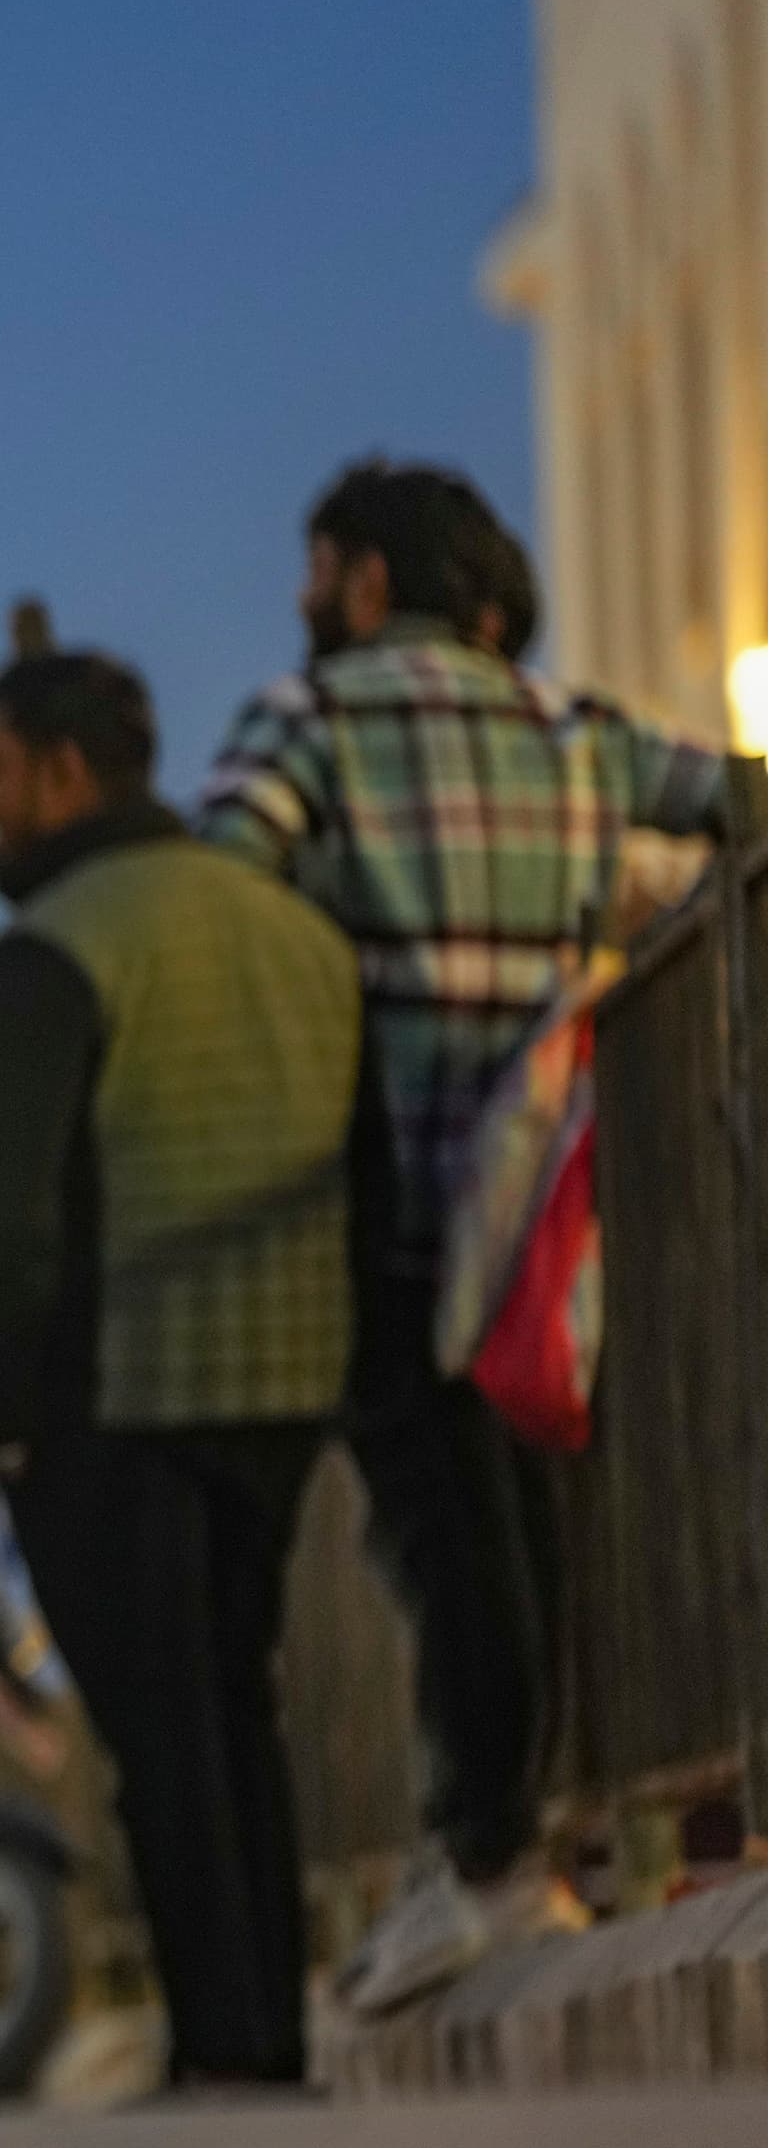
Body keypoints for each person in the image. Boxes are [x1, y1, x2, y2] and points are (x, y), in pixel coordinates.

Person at [200, 462, 732, 2011]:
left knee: (438, 1528)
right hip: (543, 1182)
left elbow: (226, 901)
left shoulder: (304, 719)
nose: (307, 600)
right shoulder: (576, 731)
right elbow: (737, 802)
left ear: (369, 579)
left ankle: (486, 1853)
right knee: (524, 1504)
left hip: (379, 1183)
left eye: (320, 571)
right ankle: (512, 1838)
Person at [0, 638, 358, 2089]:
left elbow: (13, 1223)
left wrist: (7, 1408)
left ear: (66, 772)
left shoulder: (50, 951)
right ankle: (266, 2038)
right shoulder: (293, 929)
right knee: (239, 1704)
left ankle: (223, 2050)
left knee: (159, 1728)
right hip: (289, 1371)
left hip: (118, 1391)